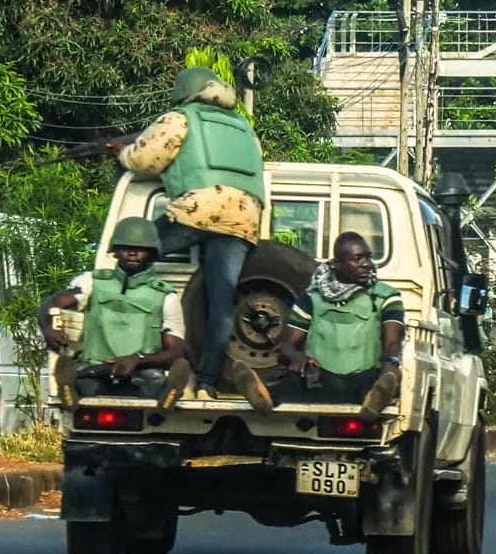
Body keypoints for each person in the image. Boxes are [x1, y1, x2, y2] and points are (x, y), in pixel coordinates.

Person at [109, 67, 266, 401]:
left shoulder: (181, 118)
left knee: (133, 254)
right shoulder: (245, 127)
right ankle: (207, 383)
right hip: (244, 217)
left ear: (184, 94)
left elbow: (146, 159)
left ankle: (147, 354)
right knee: (222, 303)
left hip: (198, 207)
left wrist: (121, 152)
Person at [38, 218, 193, 411]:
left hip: (141, 371)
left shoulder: (165, 296)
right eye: (126, 247)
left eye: (141, 248)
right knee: (86, 386)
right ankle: (69, 389)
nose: (133, 253)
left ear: (152, 253)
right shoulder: (91, 282)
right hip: (95, 368)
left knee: (153, 386)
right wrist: (47, 328)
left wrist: (137, 359)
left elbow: (176, 352)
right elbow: (51, 303)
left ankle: (169, 392)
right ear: (116, 250)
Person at [247, 233, 405, 420]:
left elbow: (392, 343)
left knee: (377, 380)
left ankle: (375, 401)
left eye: (368, 257)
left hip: (364, 378)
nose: (366, 264)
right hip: (320, 380)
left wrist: (391, 367)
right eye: (357, 259)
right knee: (292, 382)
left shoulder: (386, 296)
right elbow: (287, 345)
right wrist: (297, 357)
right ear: (337, 263)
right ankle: (264, 398)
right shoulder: (311, 297)